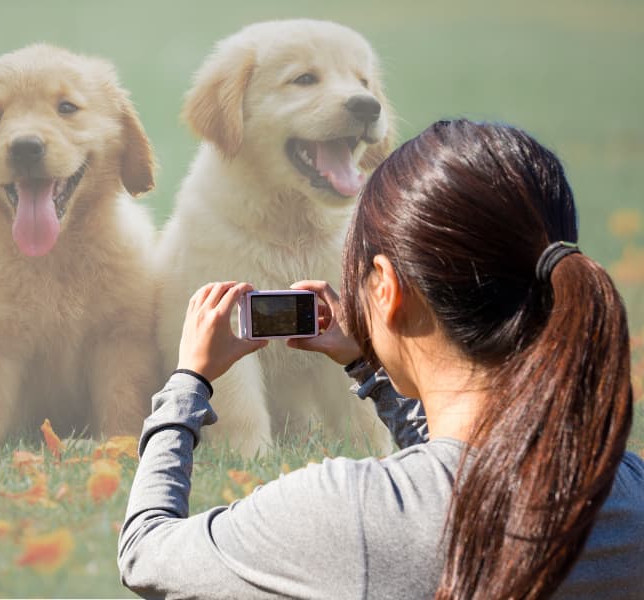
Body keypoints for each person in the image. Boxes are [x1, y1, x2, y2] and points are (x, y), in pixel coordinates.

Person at [117, 119, 644, 599]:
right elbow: (472, 470)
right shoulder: (625, 488)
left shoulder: (351, 511)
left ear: (388, 289)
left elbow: (146, 553)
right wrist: (369, 369)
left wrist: (188, 383)